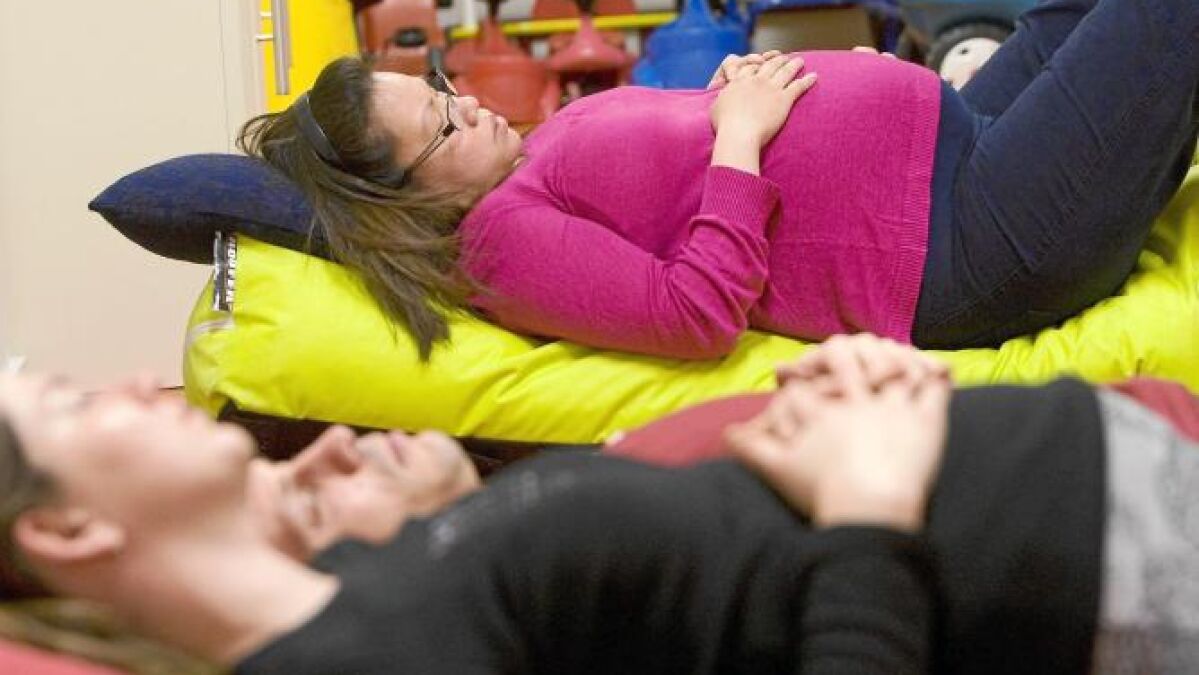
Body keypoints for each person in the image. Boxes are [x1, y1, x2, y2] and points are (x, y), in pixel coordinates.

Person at [2, 336, 1199, 673]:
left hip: (1104, 491)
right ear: (63, 529)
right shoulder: (358, 657)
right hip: (1111, 566)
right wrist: (866, 498)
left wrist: (806, 421)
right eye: (70, 400)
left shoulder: (364, 594)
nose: (130, 384)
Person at [239, 0, 1198, 361]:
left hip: (954, 146)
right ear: (401, 199)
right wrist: (739, 134)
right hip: (962, 242)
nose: (471, 106)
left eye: (441, 90)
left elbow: (672, 166)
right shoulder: (498, 243)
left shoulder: (531, 154)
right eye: (440, 126)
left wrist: (724, 92)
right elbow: (691, 313)